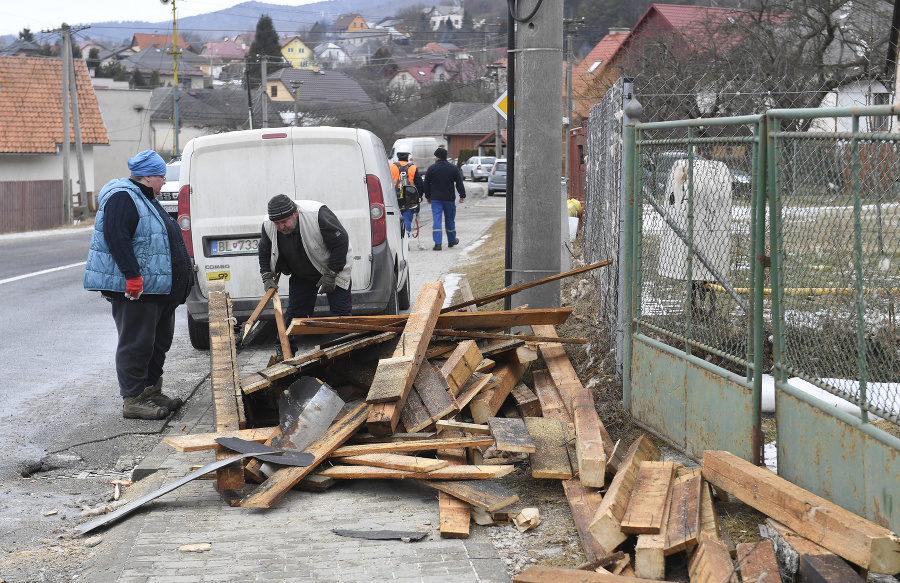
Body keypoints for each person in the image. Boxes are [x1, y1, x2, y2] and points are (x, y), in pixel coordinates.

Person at [84, 150, 193, 420]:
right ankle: (133, 399)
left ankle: (151, 391)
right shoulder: (123, 196)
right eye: (161, 178)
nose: (164, 183)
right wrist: (132, 275)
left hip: (158, 292)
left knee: (156, 343)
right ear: (148, 177)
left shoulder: (145, 197)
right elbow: (116, 237)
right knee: (136, 344)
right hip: (138, 291)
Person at [257, 195, 353, 356]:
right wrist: (266, 275)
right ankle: (285, 353)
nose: (281, 226)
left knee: (340, 314)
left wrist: (331, 274)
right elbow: (264, 250)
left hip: (333, 268)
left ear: (295, 213)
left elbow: (341, 242)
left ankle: (344, 354)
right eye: (277, 223)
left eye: (285, 221)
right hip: (302, 273)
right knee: (296, 313)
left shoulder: (317, 215)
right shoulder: (269, 224)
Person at [423, 146, 466, 250]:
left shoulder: (431, 168)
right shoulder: (453, 168)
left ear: (437, 157)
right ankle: (451, 241)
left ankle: (438, 244)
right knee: (449, 220)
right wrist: (462, 195)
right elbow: (459, 183)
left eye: (435, 156)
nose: (434, 158)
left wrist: (428, 196)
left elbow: (426, 184)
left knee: (437, 220)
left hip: (436, 199)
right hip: (449, 199)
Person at [390, 147, 425, 235]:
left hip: (394, 197)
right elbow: (420, 184)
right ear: (408, 156)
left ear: (398, 155)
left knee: (394, 219)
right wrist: (419, 196)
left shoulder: (391, 167)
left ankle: (397, 239)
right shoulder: (413, 168)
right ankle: (405, 239)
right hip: (409, 198)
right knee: (407, 218)